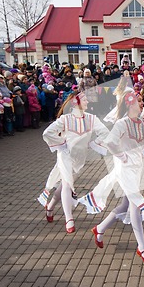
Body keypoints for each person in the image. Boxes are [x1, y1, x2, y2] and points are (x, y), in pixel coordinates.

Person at [79, 91, 144, 267]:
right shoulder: (122, 124)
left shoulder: (143, 123)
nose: (141, 104)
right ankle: (143, 247)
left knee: (125, 205)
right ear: (130, 105)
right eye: (138, 102)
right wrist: (121, 155)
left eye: (141, 101)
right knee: (135, 205)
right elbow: (110, 142)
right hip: (124, 168)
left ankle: (99, 229)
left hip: (136, 167)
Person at [38, 91, 110, 233]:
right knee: (66, 184)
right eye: (84, 100)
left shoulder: (91, 118)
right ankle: (69, 219)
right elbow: (47, 133)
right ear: (75, 102)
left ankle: (51, 206)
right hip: (65, 155)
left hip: (79, 158)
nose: (87, 102)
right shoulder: (65, 119)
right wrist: (61, 143)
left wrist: (94, 143)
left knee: (67, 184)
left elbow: (105, 133)